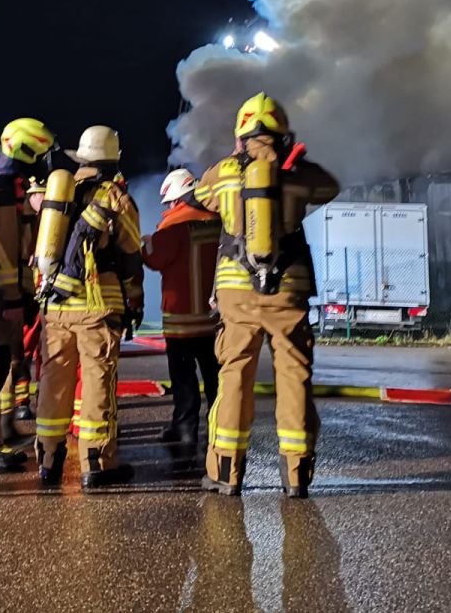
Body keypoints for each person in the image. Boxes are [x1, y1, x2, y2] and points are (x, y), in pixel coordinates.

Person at [192, 92, 339, 498]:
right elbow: (331, 188)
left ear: (240, 136)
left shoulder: (222, 172)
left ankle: (226, 473)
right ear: (282, 133)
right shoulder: (298, 174)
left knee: (234, 373)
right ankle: (296, 474)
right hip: (287, 290)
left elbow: (200, 198)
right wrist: (292, 160)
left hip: (235, 292)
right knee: (294, 375)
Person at [35, 125, 145, 490]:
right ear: (112, 160)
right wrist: (136, 296)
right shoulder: (114, 196)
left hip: (55, 303)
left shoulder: (57, 196)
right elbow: (130, 254)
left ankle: (48, 460)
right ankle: (96, 464)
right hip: (99, 304)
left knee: (54, 382)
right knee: (98, 382)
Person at [0, 117, 56, 471]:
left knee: (0, 363)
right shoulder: (3, 188)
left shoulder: (3, 184)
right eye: (38, 151)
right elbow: (2, 247)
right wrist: (13, 298)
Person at [142, 169, 221, 448]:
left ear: (176, 199)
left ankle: (186, 431)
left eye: (169, 203)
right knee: (215, 377)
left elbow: (154, 259)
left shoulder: (172, 225)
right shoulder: (217, 220)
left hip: (181, 320)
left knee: (184, 379)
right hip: (213, 319)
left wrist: (145, 243)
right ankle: (220, 428)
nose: (168, 208)